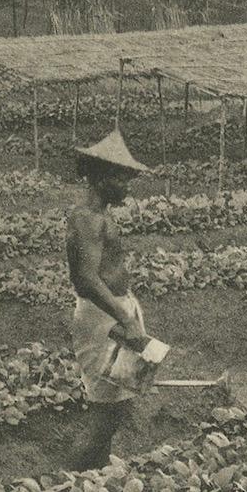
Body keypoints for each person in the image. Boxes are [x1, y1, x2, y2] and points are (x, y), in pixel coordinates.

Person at [65, 128, 163, 470]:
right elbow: (86, 279)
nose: (127, 187)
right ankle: (70, 481)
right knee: (105, 411)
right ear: (102, 177)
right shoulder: (88, 219)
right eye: (122, 179)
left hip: (113, 311)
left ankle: (99, 472)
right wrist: (126, 319)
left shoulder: (99, 216)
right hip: (103, 318)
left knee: (116, 407)